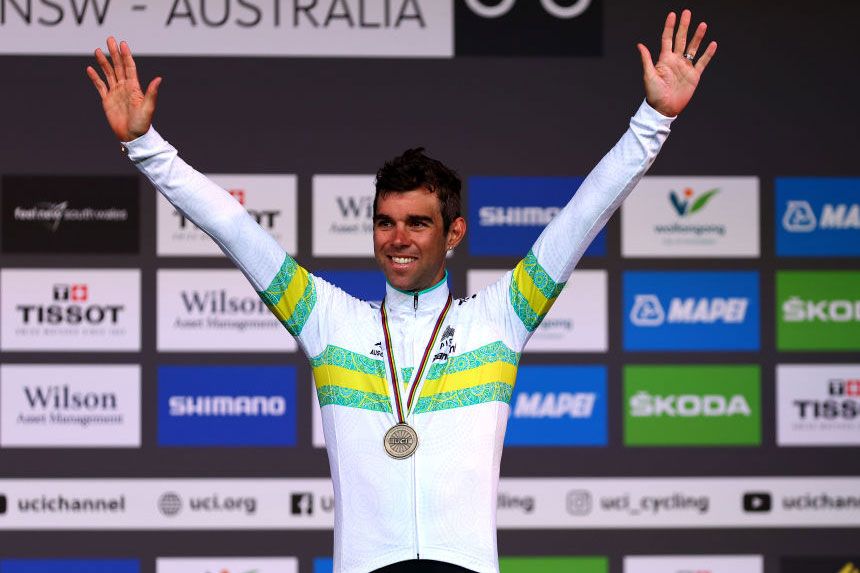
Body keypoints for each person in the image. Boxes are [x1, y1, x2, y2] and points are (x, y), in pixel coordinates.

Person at [86, 9, 716, 573]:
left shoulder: (502, 318)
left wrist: (652, 122)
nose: (398, 239)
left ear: (454, 233)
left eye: (418, 223)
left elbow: (583, 217)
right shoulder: (327, 321)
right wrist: (145, 147)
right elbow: (234, 228)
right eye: (385, 222)